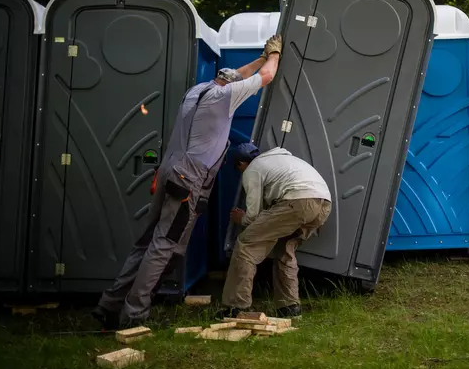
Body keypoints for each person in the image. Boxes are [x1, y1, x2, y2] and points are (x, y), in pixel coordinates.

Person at [92, 35, 284, 330]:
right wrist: (274, 55)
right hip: (188, 179)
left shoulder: (198, 91)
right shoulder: (224, 99)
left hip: (169, 170)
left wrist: (260, 56)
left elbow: (239, 76)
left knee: (145, 243)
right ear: (231, 88)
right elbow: (266, 76)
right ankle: (133, 315)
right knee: (163, 246)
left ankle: (109, 304)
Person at [216, 143, 332, 319]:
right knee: (284, 248)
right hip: (322, 204)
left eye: (238, 168)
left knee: (247, 243)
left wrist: (242, 219)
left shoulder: (252, 169)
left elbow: (253, 214)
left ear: (241, 163)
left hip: (296, 202)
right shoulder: (284, 160)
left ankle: (236, 308)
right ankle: (289, 308)